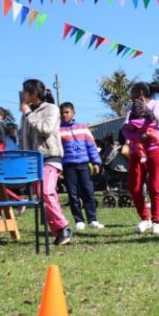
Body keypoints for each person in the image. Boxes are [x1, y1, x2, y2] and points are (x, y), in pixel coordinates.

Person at [18, 79, 73, 245]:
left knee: (46, 192)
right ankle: (58, 231)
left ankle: (64, 228)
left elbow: (45, 129)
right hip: (33, 161)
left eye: (25, 92)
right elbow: (23, 138)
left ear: (34, 94)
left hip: (50, 157)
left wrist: (28, 113)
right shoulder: (26, 113)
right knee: (43, 195)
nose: (23, 95)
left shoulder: (51, 109)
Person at [123, 82, 159, 235]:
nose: (130, 96)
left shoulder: (158, 104)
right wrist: (136, 134)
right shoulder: (129, 108)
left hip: (156, 148)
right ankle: (145, 219)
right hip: (137, 149)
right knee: (134, 186)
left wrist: (143, 131)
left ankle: (156, 221)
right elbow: (126, 126)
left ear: (140, 93)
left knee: (155, 185)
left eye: (132, 92)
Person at [59, 102, 104, 230]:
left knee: (88, 192)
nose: (64, 115)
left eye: (67, 112)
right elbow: (57, 150)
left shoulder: (83, 128)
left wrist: (96, 162)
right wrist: (59, 168)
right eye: (62, 112)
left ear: (73, 112)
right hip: (68, 166)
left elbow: (91, 146)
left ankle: (92, 219)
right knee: (73, 194)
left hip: (84, 164)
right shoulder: (57, 130)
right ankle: (79, 220)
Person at [124, 98, 159, 164]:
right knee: (138, 145)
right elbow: (128, 129)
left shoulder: (135, 121)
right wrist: (138, 136)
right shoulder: (133, 122)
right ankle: (143, 155)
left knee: (153, 135)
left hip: (146, 131)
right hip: (140, 133)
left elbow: (155, 123)